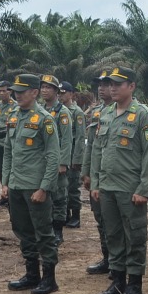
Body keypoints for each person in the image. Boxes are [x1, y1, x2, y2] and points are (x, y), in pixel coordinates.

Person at [91, 66, 148, 294]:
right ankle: (117, 282)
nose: (112, 88)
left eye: (118, 84)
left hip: (130, 188)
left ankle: (135, 285)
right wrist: (95, 182)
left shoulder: (142, 115)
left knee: (135, 236)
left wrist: (144, 189)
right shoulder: (106, 113)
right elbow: (98, 149)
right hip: (107, 187)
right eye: (111, 84)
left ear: (131, 86)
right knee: (113, 235)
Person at [1, 73, 61, 294]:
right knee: (23, 231)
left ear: (34, 92)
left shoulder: (44, 119)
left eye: (22, 91)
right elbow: (8, 151)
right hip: (16, 185)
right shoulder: (13, 116)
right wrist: (5, 182)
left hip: (35, 187)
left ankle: (49, 279)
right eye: (15, 91)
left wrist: (44, 188)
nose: (17, 95)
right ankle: (31, 274)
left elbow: (53, 156)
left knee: (43, 233)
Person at [82, 70, 114, 275]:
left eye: (106, 84)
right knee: (100, 219)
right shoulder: (97, 112)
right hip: (97, 175)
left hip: (114, 176)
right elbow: (91, 146)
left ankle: (118, 262)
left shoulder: (124, 111)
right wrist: (86, 172)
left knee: (115, 222)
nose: (101, 89)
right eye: (99, 85)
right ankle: (107, 258)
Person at [39, 75, 74, 245]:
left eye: (48, 87)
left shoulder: (63, 112)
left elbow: (67, 140)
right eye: (43, 87)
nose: (45, 90)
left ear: (56, 91)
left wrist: (63, 163)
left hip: (57, 160)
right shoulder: (39, 110)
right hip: (42, 161)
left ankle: (58, 230)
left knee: (59, 196)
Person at [62, 82, 87, 228]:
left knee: (72, 187)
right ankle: (65, 214)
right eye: (59, 93)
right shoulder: (57, 110)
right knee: (61, 187)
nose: (61, 95)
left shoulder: (77, 112)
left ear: (71, 94)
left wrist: (77, 159)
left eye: (64, 93)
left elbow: (80, 137)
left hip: (72, 155)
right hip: (62, 155)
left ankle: (76, 216)